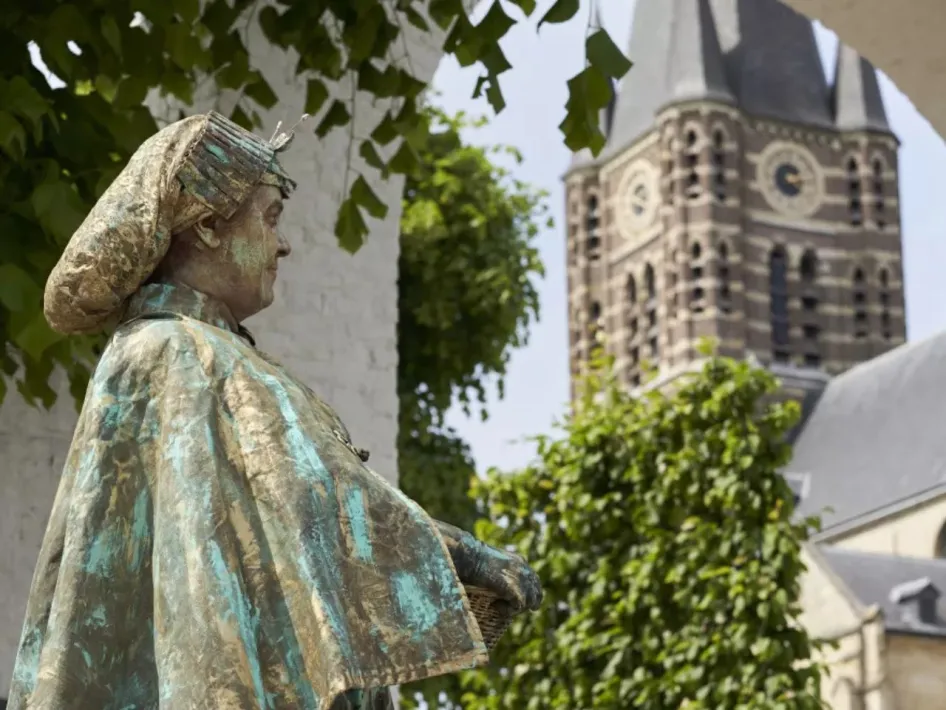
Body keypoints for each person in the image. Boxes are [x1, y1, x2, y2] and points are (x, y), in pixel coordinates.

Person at [9, 111, 542, 710]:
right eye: (270, 217)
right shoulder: (184, 352)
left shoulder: (188, 351)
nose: (283, 243)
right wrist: (465, 553)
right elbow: (315, 498)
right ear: (209, 225)